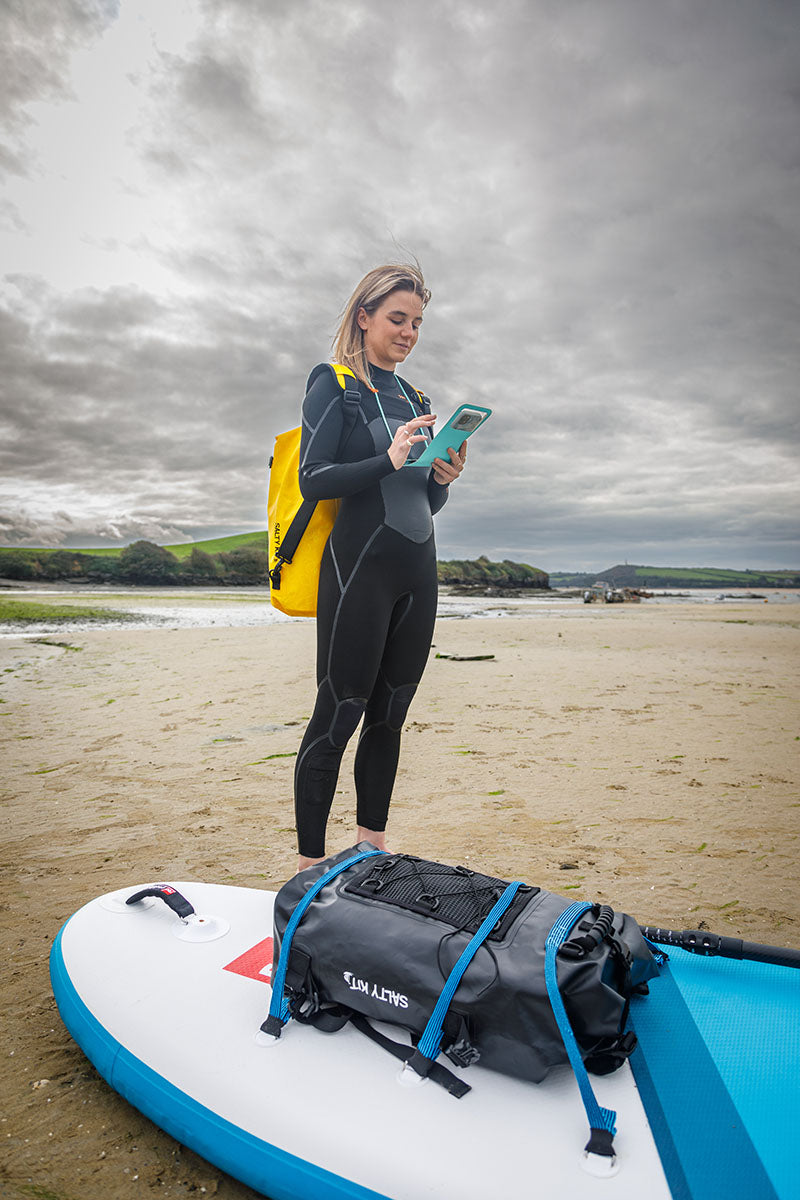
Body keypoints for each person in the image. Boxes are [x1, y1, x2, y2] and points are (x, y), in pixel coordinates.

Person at [294, 263, 466, 871]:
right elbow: (312, 479)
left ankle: (371, 852)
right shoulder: (333, 385)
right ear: (363, 316)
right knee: (338, 712)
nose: (409, 332)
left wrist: (441, 477)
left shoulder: (417, 399)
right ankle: (308, 869)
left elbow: (421, 501)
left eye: (417, 322)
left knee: (390, 715)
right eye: (397, 319)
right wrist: (390, 458)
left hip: (418, 574)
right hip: (358, 570)